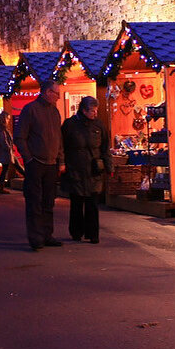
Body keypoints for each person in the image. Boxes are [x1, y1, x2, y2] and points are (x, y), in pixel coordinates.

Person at [14, 81, 64, 251]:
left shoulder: (55, 112)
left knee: (49, 201)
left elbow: (59, 138)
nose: (58, 97)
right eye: (56, 93)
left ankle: (47, 234)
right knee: (34, 201)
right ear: (47, 92)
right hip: (36, 162)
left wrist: (60, 159)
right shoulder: (31, 110)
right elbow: (20, 136)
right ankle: (36, 237)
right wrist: (28, 158)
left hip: (51, 163)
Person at [61, 96, 112, 243]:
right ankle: (76, 232)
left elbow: (105, 147)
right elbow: (62, 146)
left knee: (92, 204)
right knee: (76, 203)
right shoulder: (70, 125)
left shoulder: (99, 126)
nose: (95, 114)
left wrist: (109, 166)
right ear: (84, 110)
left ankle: (93, 234)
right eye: (93, 111)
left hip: (93, 170)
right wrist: (63, 164)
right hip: (75, 168)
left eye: (96, 110)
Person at [0, 107, 23, 195]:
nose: (9, 121)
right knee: (15, 167)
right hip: (5, 152)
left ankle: (1, 188)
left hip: (4, 152)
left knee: (9, 168)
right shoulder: (0, 128)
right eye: (8, 119)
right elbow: (3, 141)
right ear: (4, 119)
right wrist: (9, 148)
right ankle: (30, 182)